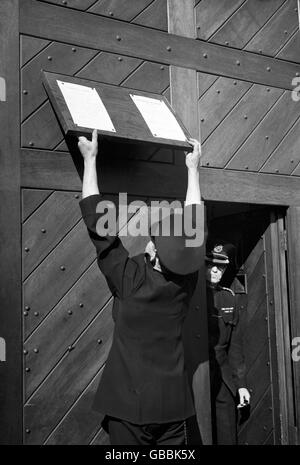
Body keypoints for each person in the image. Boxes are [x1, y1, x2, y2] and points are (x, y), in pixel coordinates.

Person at [77, 129, 204, 445]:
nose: (149, 240)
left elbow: (98, 226)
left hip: (128, 410)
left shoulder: (130, 279)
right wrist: (193, 170)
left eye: (154, 240)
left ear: (153, 252)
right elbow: (195, 226)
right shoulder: (184, 284)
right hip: (173, 411)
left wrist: (90, 159)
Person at [205, 239, 251, 444]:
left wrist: (240, 384)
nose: (216, 271)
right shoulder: (190, 296)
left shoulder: (228, 298)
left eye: (221, 267)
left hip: (223, 377)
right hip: (197, 376)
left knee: (226, 434)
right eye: (211, 265)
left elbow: (235, 347)